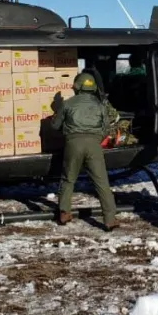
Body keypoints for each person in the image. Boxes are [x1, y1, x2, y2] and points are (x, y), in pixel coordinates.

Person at [50, 72, 118, 230]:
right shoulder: (100, 105)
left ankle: (64, 213)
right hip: (94, 145)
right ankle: (110, 219)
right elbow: (107, 128)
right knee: (101, 182)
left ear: (76, 87)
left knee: (68, 179)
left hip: (73, 144)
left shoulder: (67, 104)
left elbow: (55, 126)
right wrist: (96, 138)